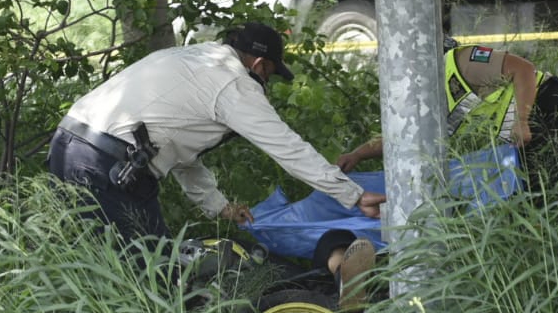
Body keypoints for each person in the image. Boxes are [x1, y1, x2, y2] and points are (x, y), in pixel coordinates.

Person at [47, 21, 386, 242]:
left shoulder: (195, 58)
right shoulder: (234, 84)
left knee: (106, 261)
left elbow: (179, 153)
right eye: (269, 75)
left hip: (69, 144)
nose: (265, 84)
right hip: (106, 165)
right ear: (259, 65)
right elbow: (287, 148)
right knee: (151, 271)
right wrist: (352, 195)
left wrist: (220, 207)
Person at [337, 40, 558, 192]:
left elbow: (524, 70)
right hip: (527, 136)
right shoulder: (425, 100)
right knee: (540, 192)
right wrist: (357, 155)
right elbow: (401, 138)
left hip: (555, 106)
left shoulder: (461, 60)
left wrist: (521, 120)